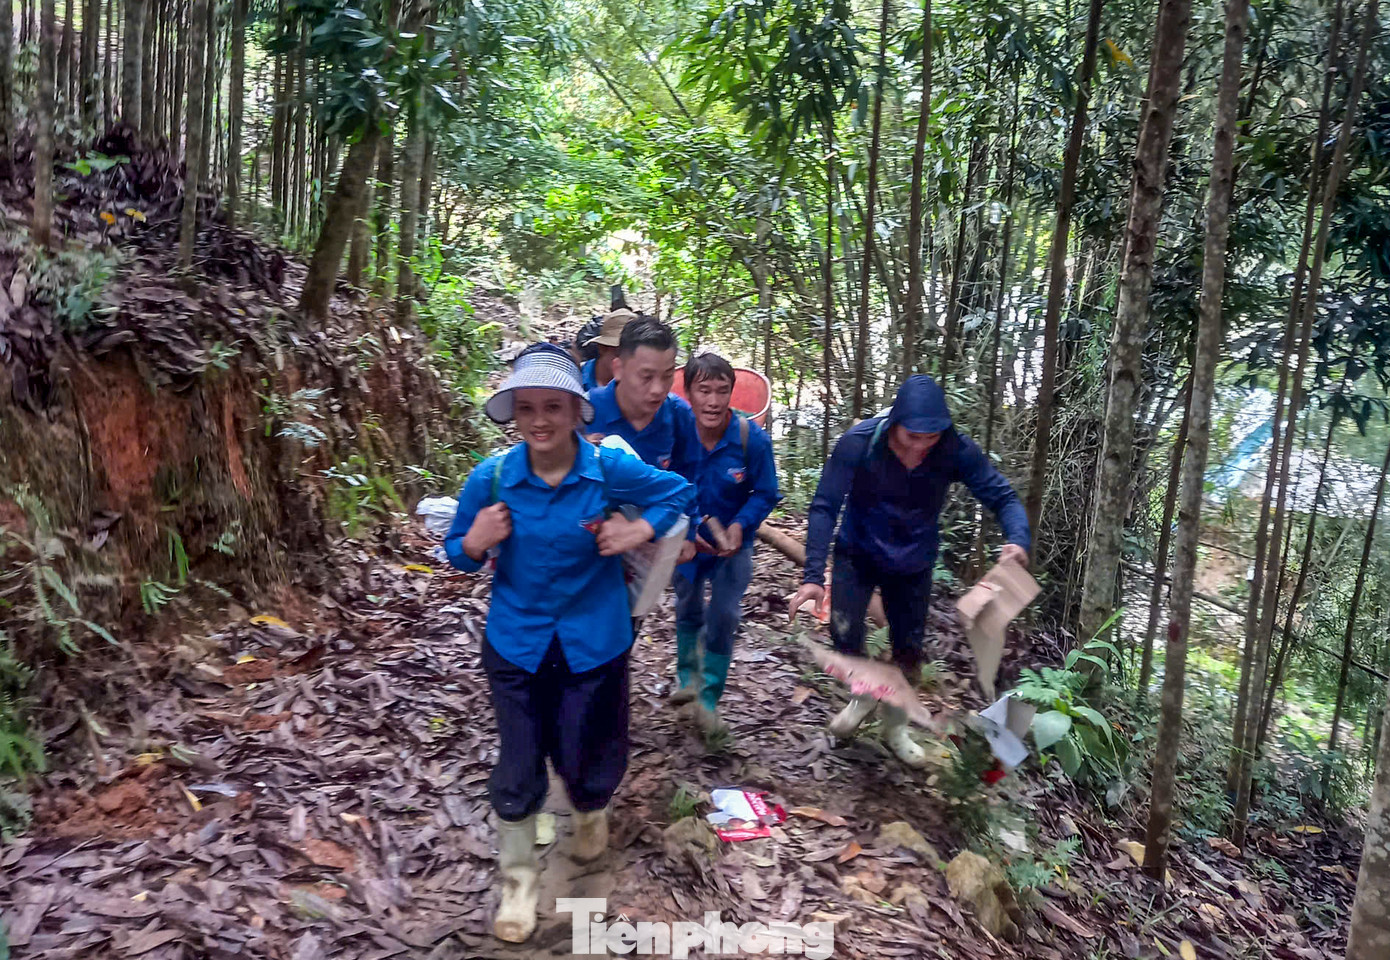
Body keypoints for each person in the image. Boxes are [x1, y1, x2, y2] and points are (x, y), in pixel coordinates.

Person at [444, 343, 695, 945]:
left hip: (595, 639)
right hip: (516, 642)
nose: (538, 420)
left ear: (577, 411)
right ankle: (519, 882)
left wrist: (639, 525)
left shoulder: (607, 469)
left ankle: (589, 813)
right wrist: (474, 542)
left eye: (553, 406)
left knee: (589, 750)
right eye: (525, 407)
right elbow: (455, 551)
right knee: (520, 760)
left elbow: (679, 492)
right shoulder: (494, 476)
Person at [787, 374, 1030, 768]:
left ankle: (895, 729)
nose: (918, 448)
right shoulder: (860, 442)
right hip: (858, 552)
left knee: (909, 653)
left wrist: (1018, 540)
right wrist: (813, 575)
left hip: (913, 563)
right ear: (894, 423)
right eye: (910, 437)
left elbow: (1002, 496)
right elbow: (824, 506)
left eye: (928, 439)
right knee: (844, 631)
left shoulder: (954, 450)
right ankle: (862, 693)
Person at [670, 352, 781, 737]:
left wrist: (740, 524)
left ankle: (708, 699)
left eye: (722, 391)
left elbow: (766, 492)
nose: (713, 401)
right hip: (687, 540)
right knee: (686, 603)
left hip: (734, 546)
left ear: (732, 394)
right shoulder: (676, 434)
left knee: (725, 614)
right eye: (704, 391)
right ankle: (688, 680)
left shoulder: (752, 440)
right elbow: (661, 482)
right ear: (689, 394)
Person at [586, 315, 701, 565]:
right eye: (646, 377)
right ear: (618, 369)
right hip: (591, 541)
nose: (658, 389)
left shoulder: (679, 415)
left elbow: (688, 473)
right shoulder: (586, 410)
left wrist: (689, 532)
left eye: (667, 376)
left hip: (652, 537)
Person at [579, 308, 633, 390]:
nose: (628, 361)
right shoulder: (576, 376)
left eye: (633, 354)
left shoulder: (640, 383)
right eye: (620, 353)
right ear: (602, 348)